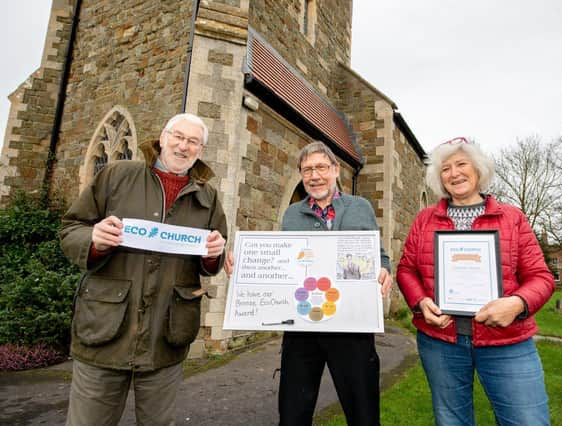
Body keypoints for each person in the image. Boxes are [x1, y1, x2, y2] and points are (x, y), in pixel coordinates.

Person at [60, 113, 227, 425]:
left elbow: (214, 256)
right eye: (178, 137)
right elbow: (71, 229)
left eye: (193, 142)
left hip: (166, 336)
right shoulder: (116, 175)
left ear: (200, 150)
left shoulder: (209, 196)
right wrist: (94, 239)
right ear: (162, 138)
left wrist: (213, 254)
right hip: (105, 329)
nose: (183, 146)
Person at [224, 141, 392, 425]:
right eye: (307, 170)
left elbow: (378, 255)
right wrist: (244, 267)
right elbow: (281, 263)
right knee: (293, 414)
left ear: (336, 170)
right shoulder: (292, 214)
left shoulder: (360, 207)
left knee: (363, 413)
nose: (314, 176)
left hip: (352, 327)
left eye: (321, 168)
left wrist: (385, 270)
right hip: (302, 330)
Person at [396, 137, 555, 426]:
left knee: (526, 420)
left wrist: (518, 303)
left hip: (507, 342)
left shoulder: (512, 218)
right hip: (441, 341)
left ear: (479, 170)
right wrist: (420, 301)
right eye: (445, 169)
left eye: (461, 164)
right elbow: (406, 269)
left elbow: (541, 277)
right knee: (451, 420)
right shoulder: (424, 220)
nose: (454, 173)